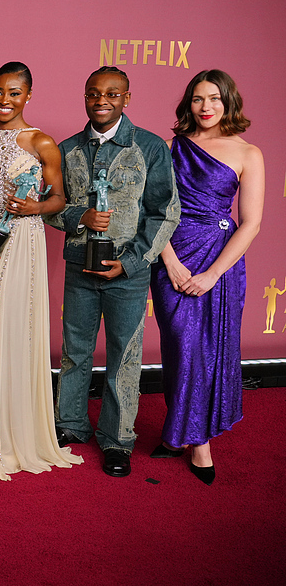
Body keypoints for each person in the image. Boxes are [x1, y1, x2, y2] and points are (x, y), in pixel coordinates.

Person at [46, 66, 180, 478]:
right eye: (93, 93)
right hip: (79, 267)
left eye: (111, 94)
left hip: (128, 272)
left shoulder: (150, 147)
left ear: (126, 98)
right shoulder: (68, 149)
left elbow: (165, 211)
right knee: (75, 350)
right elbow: (49, 207)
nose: (101, 100)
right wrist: (79, 216)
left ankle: (117, 439)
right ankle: (70, 424)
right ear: (85, 97)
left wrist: (133, 261)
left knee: (125, 356)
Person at [0, 62, 82, 481]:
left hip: (20, 243)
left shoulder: (41, 142)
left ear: (28, 95)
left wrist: (36, 206)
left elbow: (59, 199)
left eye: (14, 93)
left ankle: (9, 432)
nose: (4, 100)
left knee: (7, 332)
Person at [150, 69, 263, 485]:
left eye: (214, 98)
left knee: (210, 348)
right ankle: (182, 429)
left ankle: (197, 441)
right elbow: (153, 210)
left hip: (219, 261)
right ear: (188, 103)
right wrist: (170, 261)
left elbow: (250, 223)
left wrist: (213, 274)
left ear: (228, 101)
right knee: (179, 346)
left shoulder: (248, 153)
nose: (206, 106)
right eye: (198, 99)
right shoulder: (169, 148)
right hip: (172, 256)